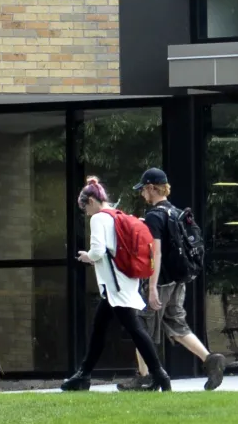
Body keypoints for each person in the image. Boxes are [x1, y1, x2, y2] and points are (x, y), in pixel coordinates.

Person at [118, 167, 228, 392]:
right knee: (176, 324)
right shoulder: (176, 212)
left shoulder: (154, 216)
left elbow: (155, 253)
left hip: (161, 281)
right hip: (179, 280)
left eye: (144, 190)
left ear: (151, 188)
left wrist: (152, 288)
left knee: (141, 327)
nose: (142, 194)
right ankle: (211, 360)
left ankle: (145, 377)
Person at [61, 177, 171, 392]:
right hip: (123, 281)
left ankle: (160, 375)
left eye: (85, 208)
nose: (86, 213)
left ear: (91, 201)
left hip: (115, 285)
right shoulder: (117, 215)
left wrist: (87, 256)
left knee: (135, 329)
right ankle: (83, 374)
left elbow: (99, 250)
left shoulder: (99, 219)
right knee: (99, 328)